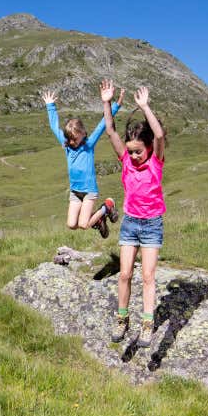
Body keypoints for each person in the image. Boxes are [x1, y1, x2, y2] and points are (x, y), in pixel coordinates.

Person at [100, 79, 166, 347]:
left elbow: (159, 136)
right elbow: (110, 131)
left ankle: (147, 324)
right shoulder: (126, 160)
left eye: (138, 151)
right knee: (124, 273)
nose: (135, 156)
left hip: (152, 225)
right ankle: (122, 318)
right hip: (130, 224)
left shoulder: (156, 162)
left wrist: (145, 107)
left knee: (148, 276)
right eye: (131, 152)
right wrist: (107, 103)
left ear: (147, 148)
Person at [41, 89, 122, 237]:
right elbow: (54, 126)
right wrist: (50, 105)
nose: (72, 142)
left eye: (75, 139)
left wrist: (115, 106)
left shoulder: (88, 145)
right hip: (75, 191)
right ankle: (99, 219)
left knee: (83, 224)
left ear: (83, 134)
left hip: (89, 190)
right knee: (72, 224)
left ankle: (107, 207)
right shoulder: (67, 145)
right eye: (69, 138)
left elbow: (102, 124)